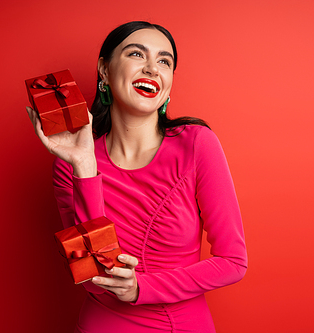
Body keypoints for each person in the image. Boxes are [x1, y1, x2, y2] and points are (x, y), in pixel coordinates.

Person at [27, 21, 247, 333]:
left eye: (164, 61)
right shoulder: (71, 163)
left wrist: (141, 288)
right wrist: (85, 166)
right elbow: (92, 278)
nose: (152, 69)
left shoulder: (196, 143)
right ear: (104, 70)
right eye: (136, 54)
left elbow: (233, 262)